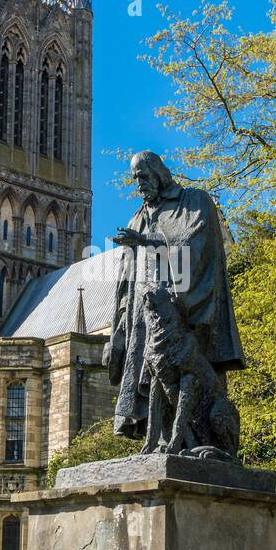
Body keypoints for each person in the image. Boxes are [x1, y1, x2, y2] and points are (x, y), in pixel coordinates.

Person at [105, 150, 244, 440]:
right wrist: (115, 336)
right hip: (142, 319)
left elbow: (196, 247)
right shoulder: (137, 219)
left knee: (186, 384)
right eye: (135, 179)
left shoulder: (193, 202)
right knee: (152, 385)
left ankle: (196, 444)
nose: (139, 184)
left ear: (159, 172)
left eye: (144, 176)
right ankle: (159, 442)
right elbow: (124, 285)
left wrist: (146, 241)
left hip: (180, 316)